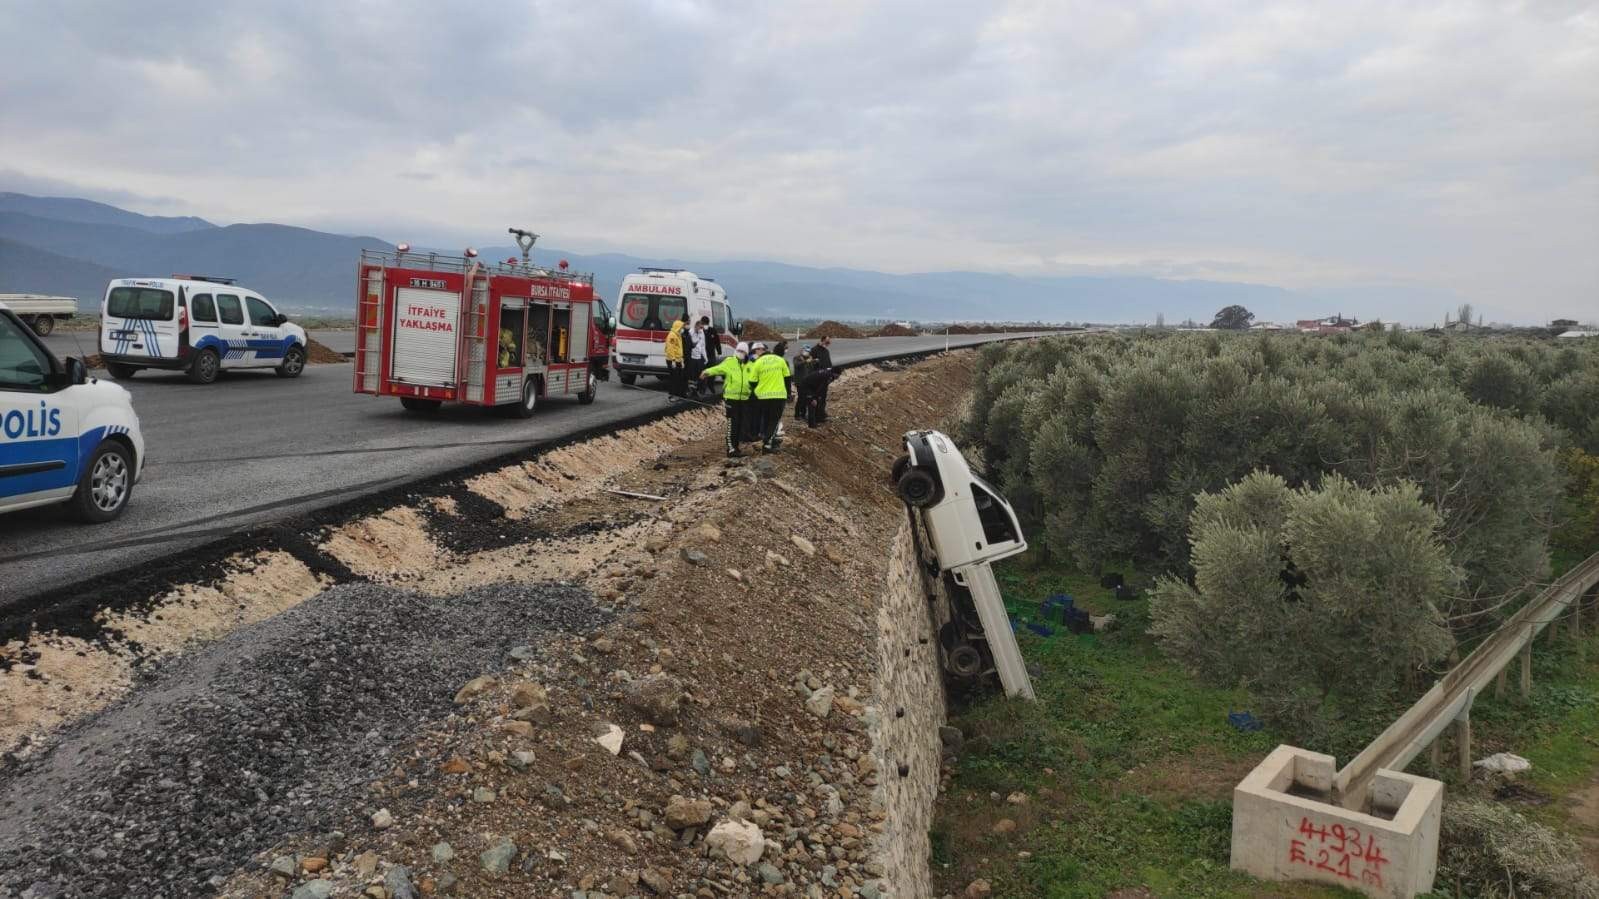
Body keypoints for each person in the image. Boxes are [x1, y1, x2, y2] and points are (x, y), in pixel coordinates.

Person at [700, 341, 754, 456]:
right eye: (738, 350)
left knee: (741, 424)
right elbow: (718, 369)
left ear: (747, 353)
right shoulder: (730, 362)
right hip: (731, 398)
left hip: (744, 399)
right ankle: (731, 449)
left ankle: (736, 447)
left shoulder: (750, 365)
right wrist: (707, 372)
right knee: (732, 423)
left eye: (743, 351)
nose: (740, 353)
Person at [749, 341, 793, 452]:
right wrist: (788, 393)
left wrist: (759, 389)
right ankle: (767, 445)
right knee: (774, 420)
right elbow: (787, 378)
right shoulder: (780, 360)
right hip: (778, 396)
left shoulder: (758, 362)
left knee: (766, 419)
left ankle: (767, 439)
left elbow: (752, 381)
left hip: (762, 397)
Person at [810, 336, 835, 422]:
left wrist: (830, 374)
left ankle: (822, 414)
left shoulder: (826, 351)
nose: (828, 344)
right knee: (816, 397)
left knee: (823, 397)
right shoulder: (814, 350)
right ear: (822, 341)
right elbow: (810, 364)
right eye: (827, 342)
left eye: (829, 343)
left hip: (825, 378)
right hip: (817, 377)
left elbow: (829, 364)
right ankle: (815, 416)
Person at [685, 317, 709, 396]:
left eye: (702, 328)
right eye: (700, 327)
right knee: (692, 376)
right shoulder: (691, 332)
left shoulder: (702, 333)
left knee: (701, 375)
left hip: (699, 357)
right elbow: (690, 345)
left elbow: (703, 346)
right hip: (692, 357)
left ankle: (700, 391)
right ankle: (692, 391)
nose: (701, 329)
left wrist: (705, 357)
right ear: (696, 326)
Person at [792, 344, 816, 421]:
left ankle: (803, 414)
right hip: (800, 382)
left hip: (807, 382)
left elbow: (811, 369)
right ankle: (797, 414)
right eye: (806, 351)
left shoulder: (809, 358)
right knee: (801, 398)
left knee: (806, 398)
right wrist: (805, 361)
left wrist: (813, 361)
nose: (807, 353)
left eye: (808, 351)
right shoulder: (797, 358)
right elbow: (797, 365)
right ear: (802, 350)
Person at [664, 317, 686, 397]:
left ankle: (678, 393)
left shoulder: (677, 335)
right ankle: (672, 394)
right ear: (678, 327)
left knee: (679, 378)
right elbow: (670, 348)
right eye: (681, 327)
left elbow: (678, 348)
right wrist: (673, 360)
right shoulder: (672, 335)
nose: (682, 329)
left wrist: (681, 360)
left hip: (678, 359)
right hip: (672, 360)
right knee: (674, 378)